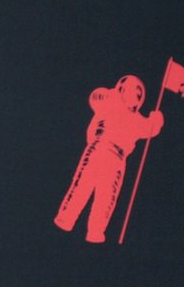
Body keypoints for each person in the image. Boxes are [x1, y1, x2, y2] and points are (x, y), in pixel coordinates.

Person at [52, 74, 164, 243]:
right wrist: (110, 95)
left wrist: (156, 120)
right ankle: (65, 218)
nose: (136, 96)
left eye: (139, 94)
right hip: (99, 146)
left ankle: (95, 231)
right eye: (134, 91)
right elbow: (95, 97)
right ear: (123, 88)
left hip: (118, 158)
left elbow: (149, 129)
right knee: (82, 185)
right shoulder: (110, 100)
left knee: (106, 197)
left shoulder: (136, 119)